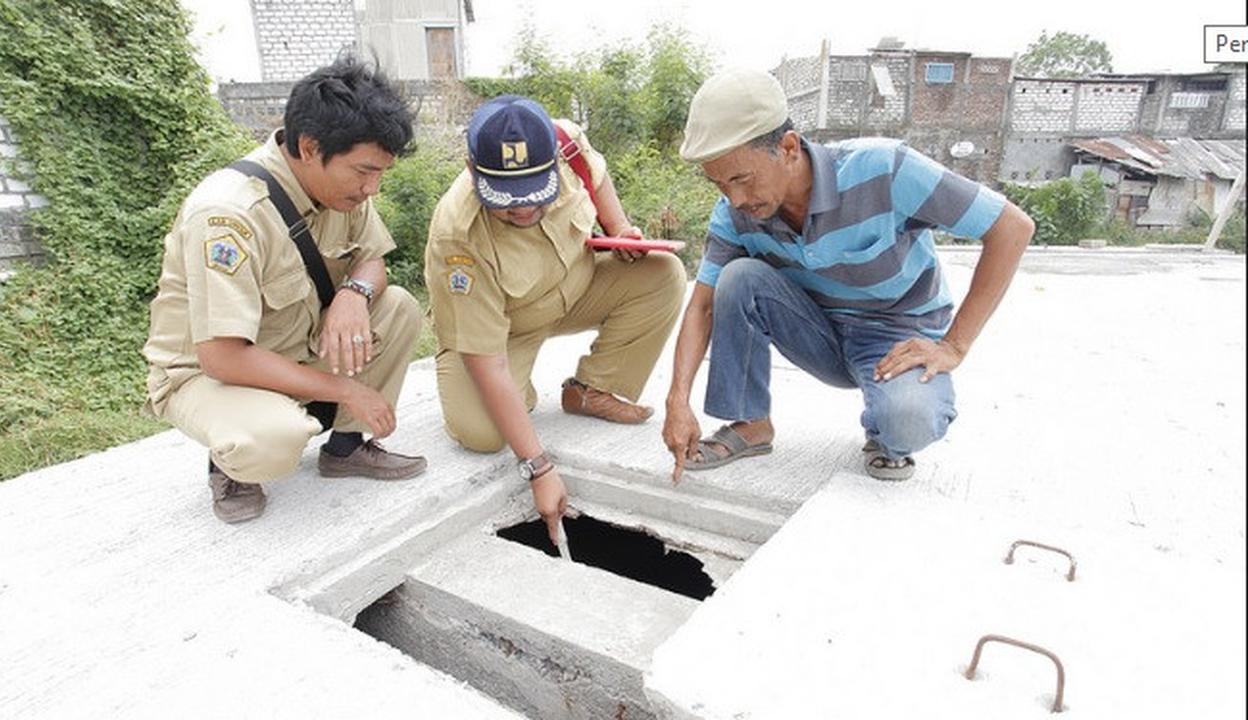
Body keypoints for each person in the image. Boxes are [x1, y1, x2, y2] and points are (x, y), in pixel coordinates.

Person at [662, 69, 1034, 481]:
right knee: (738, 277)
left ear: (787, 148)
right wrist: (677, 401)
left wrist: (954, 346)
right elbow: (702, 306)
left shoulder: (885, 170)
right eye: (719, 185)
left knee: (907, 421)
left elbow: (1012, 228)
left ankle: (884, 428)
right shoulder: (736, 212)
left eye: (741, 179)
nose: (735, 199)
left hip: (893, 336)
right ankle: (751, 424)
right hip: (816, 331)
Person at [142, 57, 426, 524]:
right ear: (311, 147)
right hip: (207, 372)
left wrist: (354, 294)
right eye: (364, 171)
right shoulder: (228, 215)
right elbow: (223, 357)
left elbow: (372, 259)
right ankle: (231, 466)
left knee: (396, 307)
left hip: (289, 345)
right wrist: (346, 390)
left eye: (382, 173)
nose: (372, 188)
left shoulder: (342, 188)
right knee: (274, 439)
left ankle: (346, 447)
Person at [425, 95, 686, 543]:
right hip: (506, 327)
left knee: (663, 275)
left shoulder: (565, 142)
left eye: (535, 193)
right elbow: (487, 360)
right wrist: (539, 467)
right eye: (507, 200)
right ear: (474, 171)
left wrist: (620, 230)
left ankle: (592, 390)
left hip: (577, 285)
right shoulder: (458, 233)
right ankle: (516, 389)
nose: (524, 209)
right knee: (482, 433)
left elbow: (598, 179)